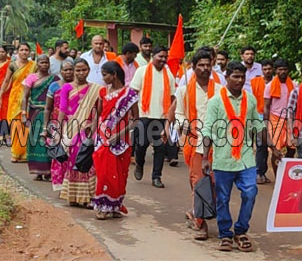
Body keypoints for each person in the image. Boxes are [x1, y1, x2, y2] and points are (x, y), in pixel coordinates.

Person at [201, 61, 281, 252]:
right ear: (226, 77)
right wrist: (205, 157)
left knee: (250, 193)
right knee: (222, 199)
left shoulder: (251, 99)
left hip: (245, 158)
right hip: (222, 158)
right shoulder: (216, 101)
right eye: (235, 76)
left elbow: (258, 127)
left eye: (242, 77)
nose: (239, 80)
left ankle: (241, 230)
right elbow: (208, 130)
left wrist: (273, 147)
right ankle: (225, 234)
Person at [173, 50, 221, 240]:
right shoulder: (184, 90)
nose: (205, 68)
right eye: (200, 65)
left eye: (208, 65)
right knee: (199, 181)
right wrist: (188, 127)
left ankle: (199, 211)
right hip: (194, 142)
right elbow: (178, 114)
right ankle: (200, 222)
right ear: (193, 68)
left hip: (218, 144)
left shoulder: (219, 90)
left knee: (215, 183)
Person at [92, 61, 139, 220]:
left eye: (105, 75)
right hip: (103, 138)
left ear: (115, 75)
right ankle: (103, 205)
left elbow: (135, 120)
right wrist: (93, 132)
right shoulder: (103, 92)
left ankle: (114, 206)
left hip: (121, 139)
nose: (103, 78)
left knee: (119, 173)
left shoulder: (129, 94)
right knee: (104, 173)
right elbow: (98, 114)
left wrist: (118, 135)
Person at [130, 46, 175, 188]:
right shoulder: (141, 72)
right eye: (160, 56)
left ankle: (157, 177)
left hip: (161, 117)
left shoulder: (169, 75)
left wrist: (170, 119)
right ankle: (139, 164)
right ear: (153, 56)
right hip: (144, 116)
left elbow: (173, 98)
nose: (163, 59)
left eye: (165, 57)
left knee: (160, 148)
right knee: (141, 145)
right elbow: (133, 94)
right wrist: (134, 116)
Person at [57, 58, 101, 206]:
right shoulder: (67, 88)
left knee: (87, 159)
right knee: (74, 160)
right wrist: (59, 128)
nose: (81, 73)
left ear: (88, 70)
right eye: (78, 70)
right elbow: (62, 109)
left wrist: (93, 127)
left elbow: (98, 111)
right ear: (74, 71)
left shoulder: (96, 89)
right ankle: (73, 196)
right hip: (71, 128)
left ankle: (87, 197)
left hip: (88, 129)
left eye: (84, 70)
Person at [22, 55, 58, 181]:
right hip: (35, 113)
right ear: (37, 64)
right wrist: (23, 113)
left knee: (48, 142)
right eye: (42, 62)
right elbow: (25, 97)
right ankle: (37, 170)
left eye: (46, 62)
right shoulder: (31, 78)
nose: (44, 65)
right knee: (35, 141)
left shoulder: (55, 79)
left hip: (50, 113)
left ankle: (48, 171)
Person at [0, 43, 36, 163]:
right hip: (15, 100)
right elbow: (6, 81)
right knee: (15, 126)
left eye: (26, 50)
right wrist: (0, 97)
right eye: (22, 50)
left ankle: (25, 154)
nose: (24, 52)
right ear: (18, 52)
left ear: (29, 52)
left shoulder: (34, 66)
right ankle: (15, 153)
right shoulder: (12, 65)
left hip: (29, 99)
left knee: (26, 127)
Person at [43, 60, 74, 192]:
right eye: (65, 70)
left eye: (70, 69)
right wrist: (45, 128)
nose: (68, 72)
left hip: (74, 123)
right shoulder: (54, 86)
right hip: (56, 124)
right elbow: (48, 108)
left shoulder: (79, 87)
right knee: (59, 155)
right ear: (60, 71)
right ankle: (60, 185)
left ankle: (71, 185)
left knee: (73, 155)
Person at [264, 59, 296, 175]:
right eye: (280, 69)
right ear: (276, 71)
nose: (283, 72)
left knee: (292, 148)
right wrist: (266, 122)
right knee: (276, 150)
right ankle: (278, 177)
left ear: (288, 70)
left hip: (290, 119)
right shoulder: (270, 86)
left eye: (285, 69)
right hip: (275, 118)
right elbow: (266, 106)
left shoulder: (294, 85)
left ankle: (286, 174)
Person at [251, 59, 274, 184]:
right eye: (265, 69)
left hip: (273, 116)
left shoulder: (276, 83)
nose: (267, 71)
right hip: (257, 115)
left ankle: (262, 172)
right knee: (260, 144)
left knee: (266, 145)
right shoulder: (255, 82)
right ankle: (258, 172)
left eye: (269, 69)